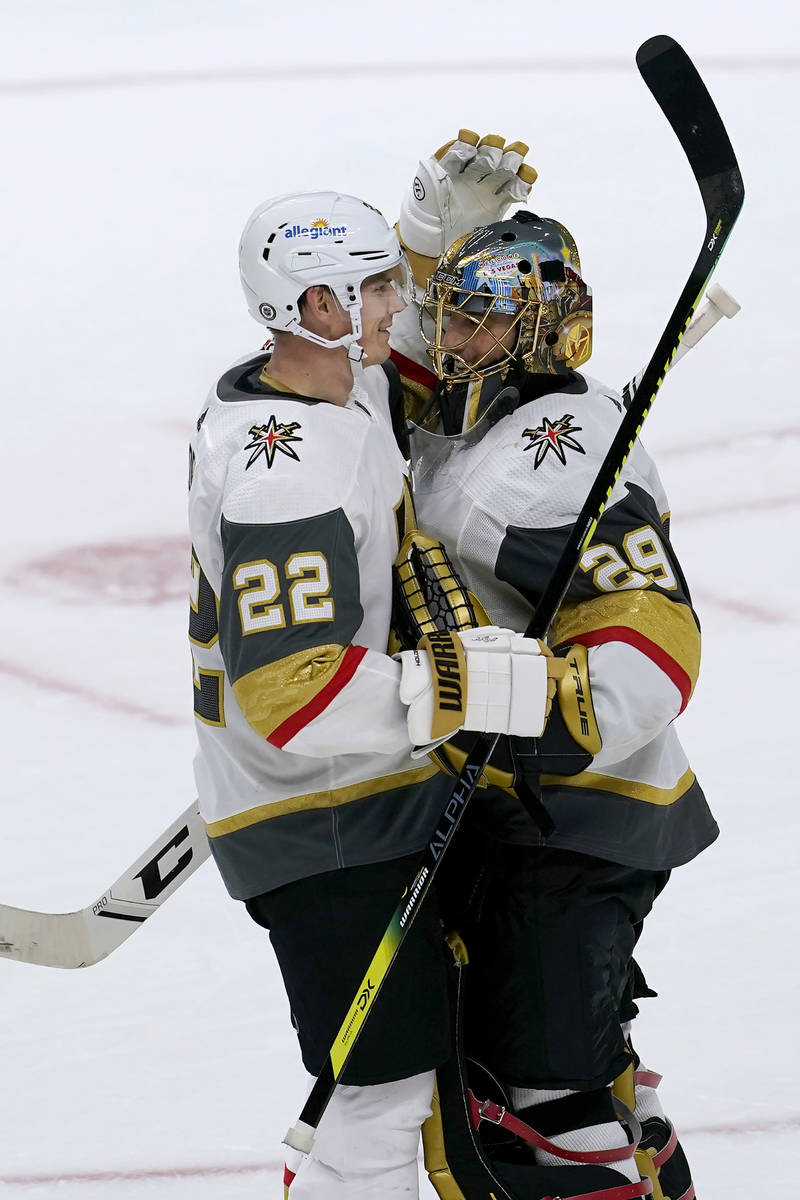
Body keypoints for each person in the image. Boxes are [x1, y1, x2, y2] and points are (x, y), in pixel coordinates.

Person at [187, 189, 564, 1198]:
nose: (404, 303)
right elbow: (289, 690)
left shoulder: (325, 388)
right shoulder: (285, 474)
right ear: (315, 307)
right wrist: (457, 686)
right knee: (377, 1096)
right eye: (383, 285)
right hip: (317, 816)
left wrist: (431, 236)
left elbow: (417, 380)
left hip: (359, 795)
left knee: (405, 1072)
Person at [387, 131, 717, 1200]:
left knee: (541, 1117)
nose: (449, 330)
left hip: (577, 820)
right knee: (520, 1081)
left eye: (478, 314)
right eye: (452, 306)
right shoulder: (473, 419)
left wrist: (513, 696)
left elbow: (649, 644)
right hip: (513, 810)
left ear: (534, 330)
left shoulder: (552, 460)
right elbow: (382, 393)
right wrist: (427, 244)